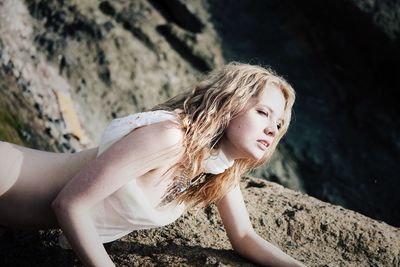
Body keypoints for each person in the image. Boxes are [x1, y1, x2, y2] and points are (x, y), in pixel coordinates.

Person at [0, 62, 305, 267]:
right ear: (230, 103)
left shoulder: (216, 168)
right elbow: (69, 205)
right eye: (263, 113)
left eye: (279, 124)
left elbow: (243, 238)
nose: (272, 129)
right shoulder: (169, 137)